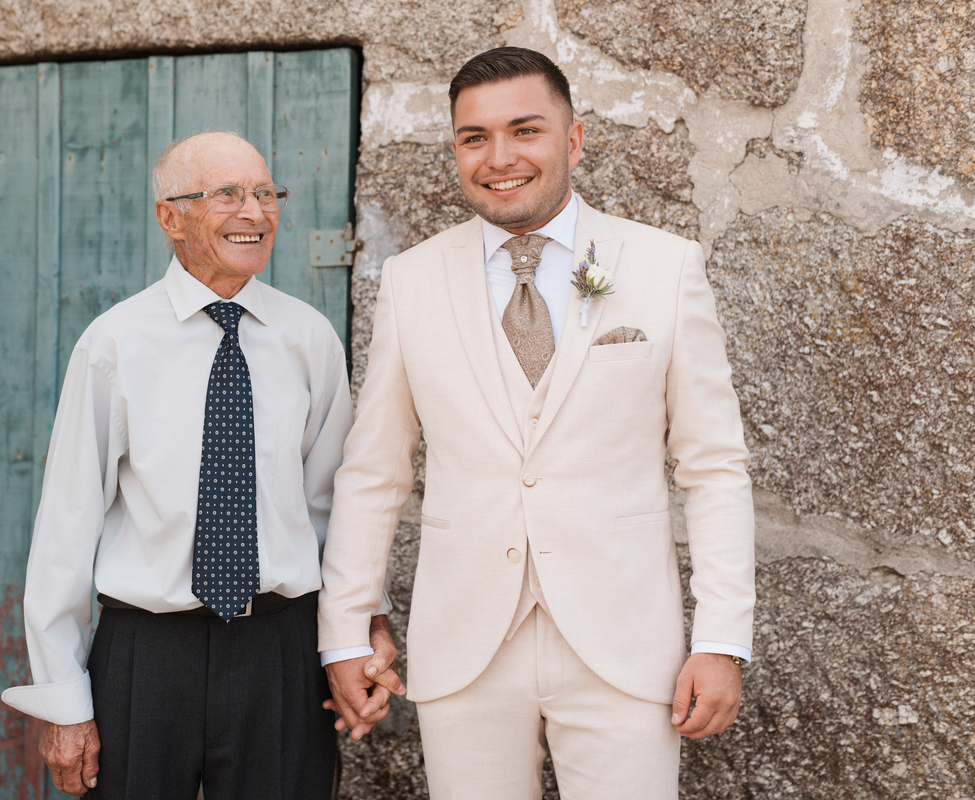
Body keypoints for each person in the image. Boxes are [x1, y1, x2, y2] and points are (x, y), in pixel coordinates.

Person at [317, 47, 756, 799]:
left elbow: (713, 466)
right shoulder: (411, 280)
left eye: (525, 130)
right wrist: (346, 631)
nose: (500, 158)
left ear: (573, 140)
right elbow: (375, 472)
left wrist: (720, 639)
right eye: (475, 137)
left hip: (625, 644)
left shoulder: (664, 267)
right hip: (466, 646)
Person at [1, 131, 399, 800]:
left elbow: (335, 509)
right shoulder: (115, 343)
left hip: (280, 651)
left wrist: (359, 629)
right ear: (170, 217)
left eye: (266, 193)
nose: (255, 212)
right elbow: (66, 530)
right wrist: (65, 701)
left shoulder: (309, 339)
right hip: (146, 655)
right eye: (228, 194)